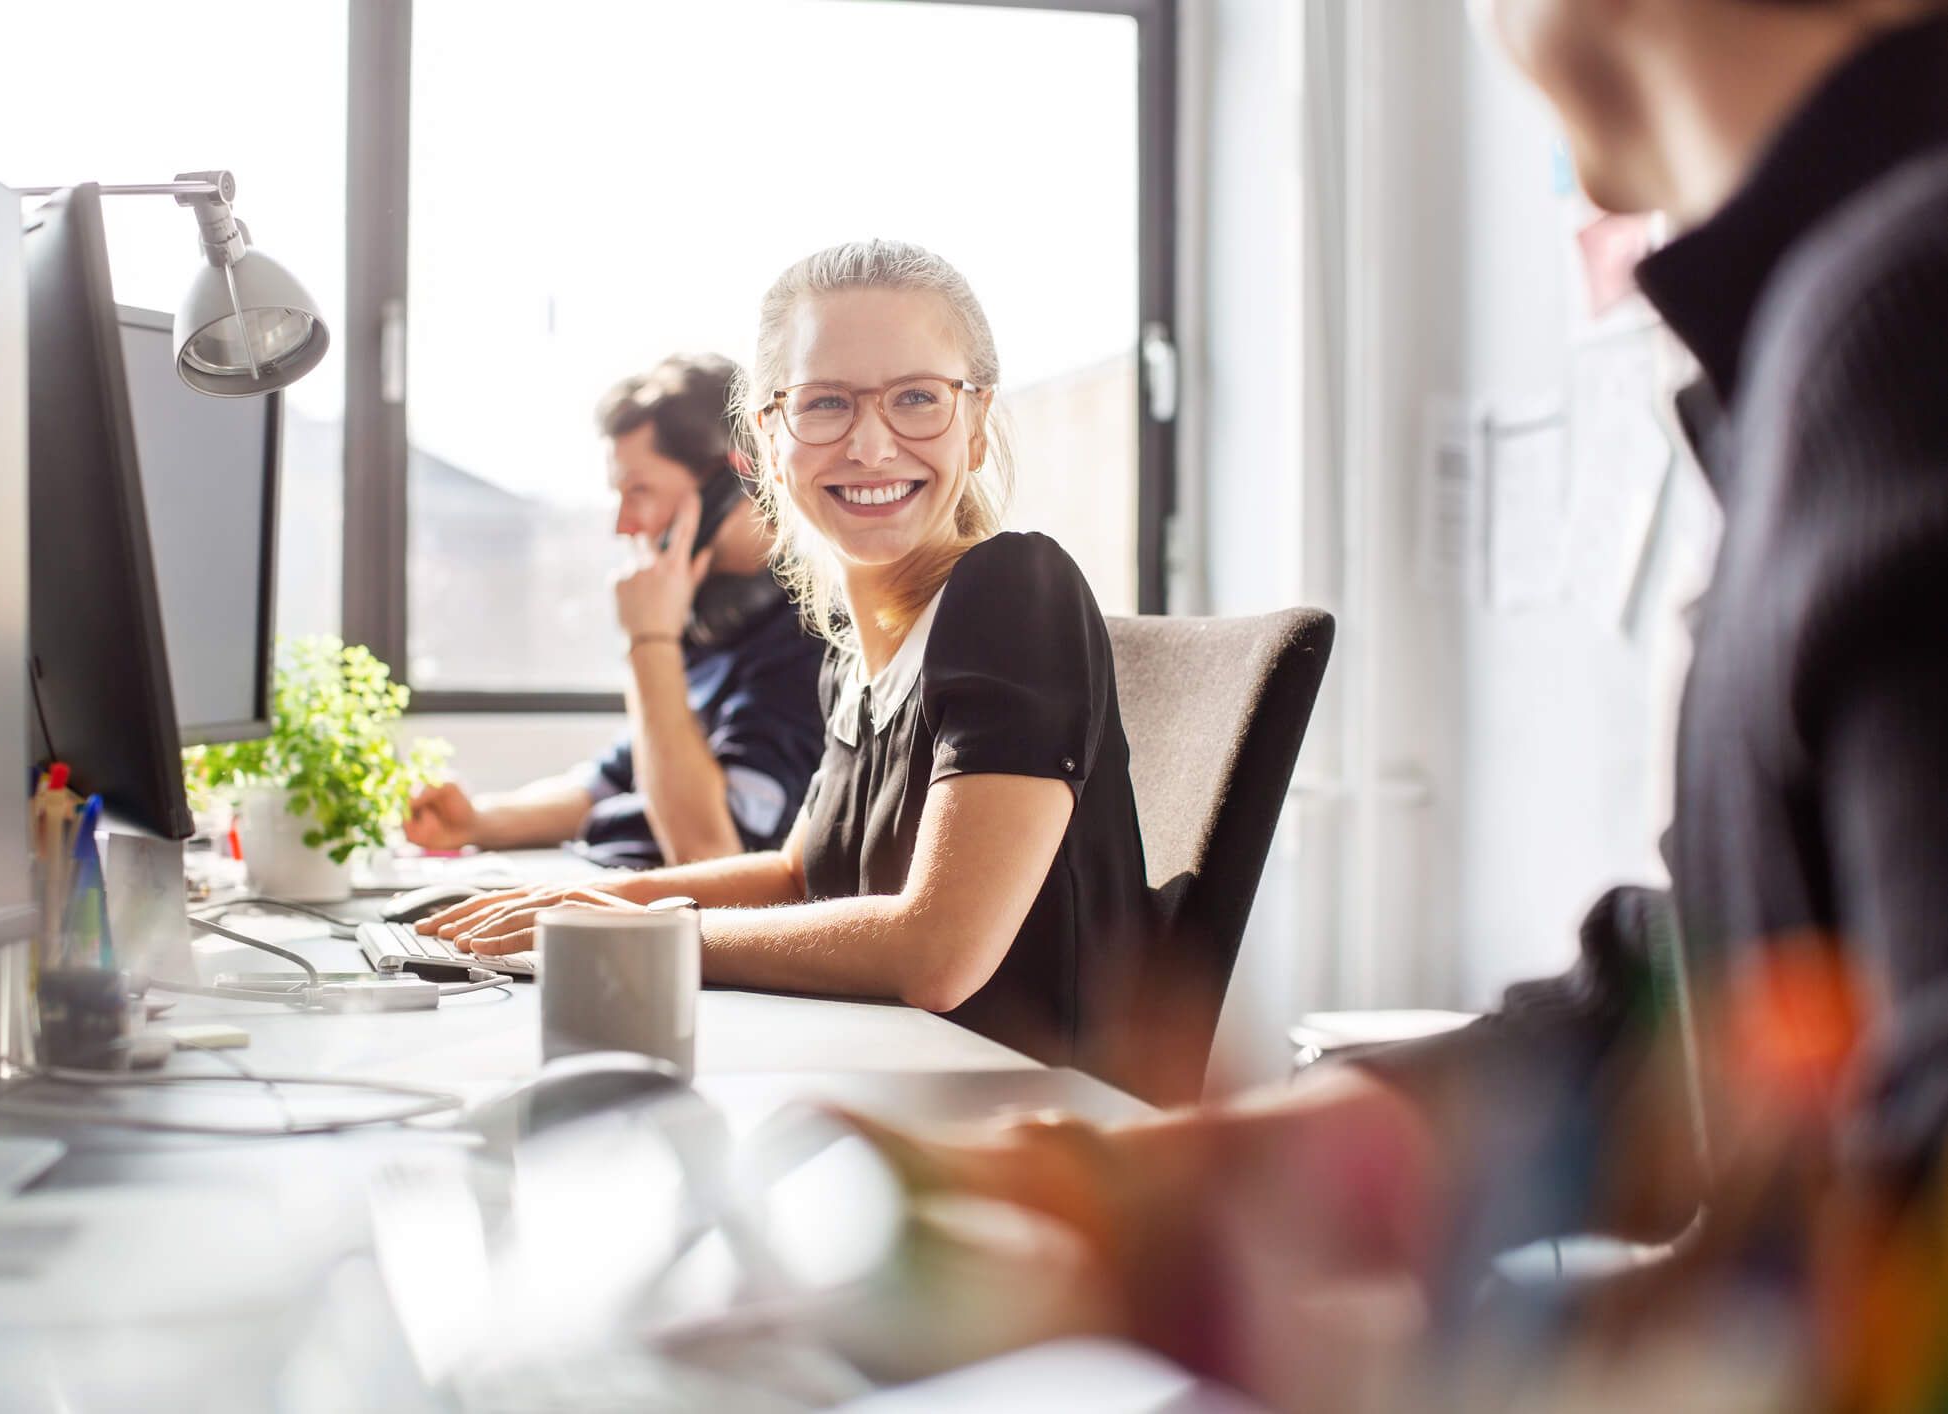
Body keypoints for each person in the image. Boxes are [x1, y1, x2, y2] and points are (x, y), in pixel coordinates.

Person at [796, 0, 1948, 1404]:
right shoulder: (1829, 327)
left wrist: (1380, 1364)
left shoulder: (1904, 317)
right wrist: (1154, 1177)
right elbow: (1711, 988)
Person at [423, 241, 1157, 1069]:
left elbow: (940, 952)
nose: (872, 446)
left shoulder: (1014, 590)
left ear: (977, 426)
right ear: (770, 441)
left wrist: (661, 931)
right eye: (825, 404)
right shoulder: (854, 650)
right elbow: (795, 875)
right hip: (882, 1087)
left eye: (917, 398)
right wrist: (586, 903)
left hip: (1031, 1137)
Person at [404, 354, 824, 870]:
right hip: (606, 882)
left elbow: (709, 854)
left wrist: (650, 641)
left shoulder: (812, 637)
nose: (623, 526)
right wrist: (479, 823)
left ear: (733, 479)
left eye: (639, 491)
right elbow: (610, 784)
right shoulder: (709, 618)